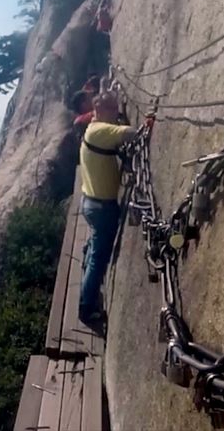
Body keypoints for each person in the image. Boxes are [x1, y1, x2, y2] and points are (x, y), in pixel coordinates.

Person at [78, 89, 136, 326]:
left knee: (94, 250)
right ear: (102, 110)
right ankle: (86, 309)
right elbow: (131, 133)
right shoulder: (101, 130)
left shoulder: (93, 128)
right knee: (98, 261)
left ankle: (86, 288)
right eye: (114, 109)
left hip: (91, 203)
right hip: (101, 208)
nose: (117, 114)